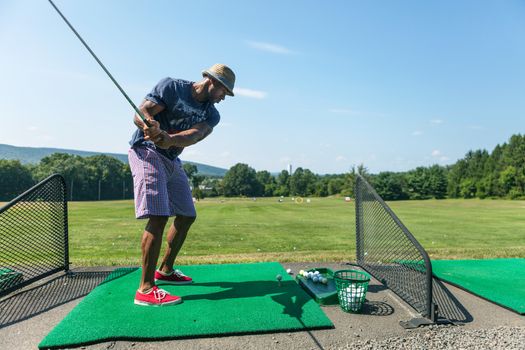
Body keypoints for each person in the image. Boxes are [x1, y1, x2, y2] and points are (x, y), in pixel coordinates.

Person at [128, 64, 235, 306]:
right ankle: (145, 289)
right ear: (212, 82)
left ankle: (165, 270)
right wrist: (148, 124)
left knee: (187, 215)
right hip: (146, 152)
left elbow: (195, 135)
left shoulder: (212, 114)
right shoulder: (172, 87)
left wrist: (169, 139)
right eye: (223, 92)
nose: (222, 99)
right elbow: (141, 112)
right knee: (158, 214)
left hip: (171, 157)